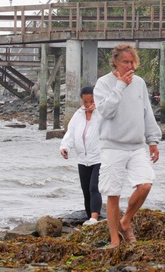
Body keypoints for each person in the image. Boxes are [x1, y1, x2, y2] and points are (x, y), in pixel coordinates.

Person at [94, 44, 161, 248]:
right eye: (125, 62)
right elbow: (106, 111)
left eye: (132, 62)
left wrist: (153, 140)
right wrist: (120, 85)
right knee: (113, 194)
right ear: (115, 61)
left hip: (136, 145)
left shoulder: (139, 83)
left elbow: (146, 113)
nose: (130, 66)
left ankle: (126, 221)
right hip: (112, 146)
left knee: (146, 185)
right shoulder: (103, 83)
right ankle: (115, 240)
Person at [59, 85, 102, 226]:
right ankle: (90, 218)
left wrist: (99, 110)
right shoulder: (78, 114)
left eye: (91, 101)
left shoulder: (103, 113)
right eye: (85, 102)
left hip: (99, 157)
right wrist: (65, 147)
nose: (88, 104)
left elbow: (112, 127)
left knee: (94, 187)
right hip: (83, 159)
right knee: (85, 190)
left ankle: (95, 218)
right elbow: (71, 133)